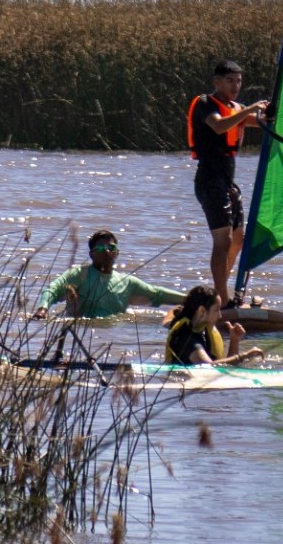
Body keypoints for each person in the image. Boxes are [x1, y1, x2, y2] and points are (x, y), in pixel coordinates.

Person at [186, 59, 268, 309]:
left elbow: (261, 121)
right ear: (217, 82)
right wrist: (249, 109)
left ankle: (220, 291)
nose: (236, 86)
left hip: (228, 184)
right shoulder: (205, 104)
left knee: (238, 240)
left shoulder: (236, 107)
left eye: (239, 81)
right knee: (222, 242)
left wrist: (270, 113)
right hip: (209, 182)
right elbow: (220, 126)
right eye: (230, 81)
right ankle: (221, 299)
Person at [31, 230, 187, 319]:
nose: (106, 251)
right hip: (80, 330)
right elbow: (53, 288)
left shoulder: (128, 282)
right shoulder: (79, 274)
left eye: (111, 248)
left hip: (114, 332)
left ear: (117, 253)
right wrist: (43, 309)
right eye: (100, 248)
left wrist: (189, 299)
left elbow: (157, 293)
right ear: (91, 254)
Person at [164, 284, 264, 366]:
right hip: (183, 382)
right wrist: (244, 356)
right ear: (202, 310)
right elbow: (208, 367)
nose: (220, 316)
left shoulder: (202, 331)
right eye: (216, 310)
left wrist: (234, 341)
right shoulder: (186, 337)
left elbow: (226, 366)